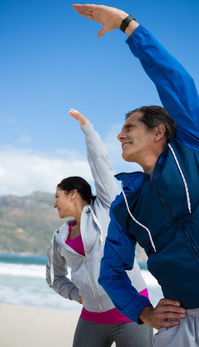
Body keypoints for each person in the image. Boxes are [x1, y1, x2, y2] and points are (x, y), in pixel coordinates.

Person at [72, 4, 199, 347]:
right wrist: (143, 313)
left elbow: (175, 80)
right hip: (184, 329)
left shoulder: (193, 149)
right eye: (120, 130)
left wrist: (128, 26)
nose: (120, 135)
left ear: (159, 131)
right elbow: (111, 273)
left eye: (129, 127)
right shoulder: (126, 205)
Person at [46, 109, 153, 347]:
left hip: (131, 311)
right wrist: (75, 294)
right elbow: (55, 277)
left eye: (58, 197)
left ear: (73, 194)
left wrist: (87, 129)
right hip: (91, 319)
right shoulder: (59, 237)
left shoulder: (105, 207)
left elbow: (100, 165)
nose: (54, 203)